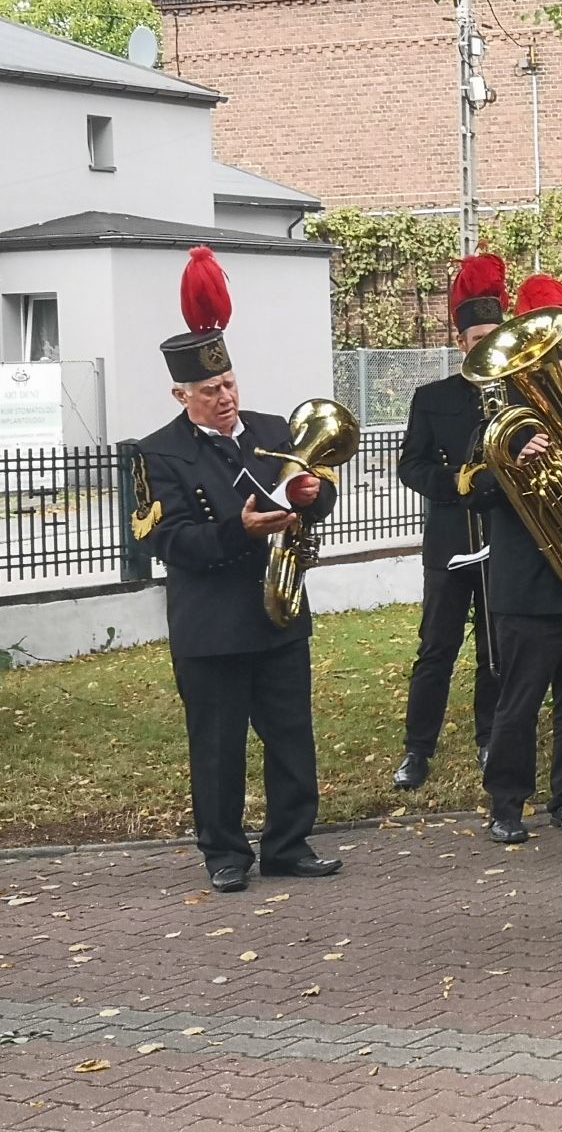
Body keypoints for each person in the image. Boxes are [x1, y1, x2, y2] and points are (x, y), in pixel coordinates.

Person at [132, 247, 342, 893]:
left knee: (291, 737)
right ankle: (224, 853)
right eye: (210, 391)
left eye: (229, 385)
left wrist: (314, 496)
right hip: (211, 625)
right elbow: (164, 539)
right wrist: (238, 530)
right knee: (218, 747)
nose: (225, 398)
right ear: (181, 394)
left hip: (277, 613)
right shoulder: (157, 453)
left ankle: (289, 844)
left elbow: (316, 493)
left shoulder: (272, 430)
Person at [462, 274, 562, 845]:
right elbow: (472, 490)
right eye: (558, 372)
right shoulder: (500, 427)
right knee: (519, 701)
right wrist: (514, 464)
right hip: (527, 588)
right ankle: (506, 803)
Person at [391, 254, 505, 790]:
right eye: (477, 338)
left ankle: (490, 738)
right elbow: (410, 466)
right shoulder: (432, 399)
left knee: (494, 648)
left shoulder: (517, 394)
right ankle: (418, 749)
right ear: (461, 342)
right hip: (450, 542)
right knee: (436, 648)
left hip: (502, 538)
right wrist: (454, 479)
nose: (486, 346)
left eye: (494, 337)